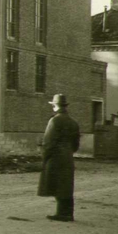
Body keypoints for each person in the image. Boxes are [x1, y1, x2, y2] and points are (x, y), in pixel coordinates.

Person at [38, 92, 80, 221]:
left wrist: (45, 157)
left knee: (56, 185)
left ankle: (62, 214)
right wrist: (69, 152)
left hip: (56, 157)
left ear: (55, 106)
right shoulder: (73, 122)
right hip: (68, 157)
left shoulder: (54, 120)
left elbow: (48, 142)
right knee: (66, 186)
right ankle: (68, 213)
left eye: (53, 105)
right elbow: (76, 144)